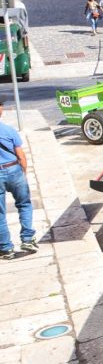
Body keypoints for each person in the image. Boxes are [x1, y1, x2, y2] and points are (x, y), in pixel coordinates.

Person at [0, 100, 36, 260]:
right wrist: (23, 173)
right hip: (14, 169)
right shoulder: (9, 130)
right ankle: (27, 239)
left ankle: (6, 248)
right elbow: (21, 155)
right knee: (24, 204)